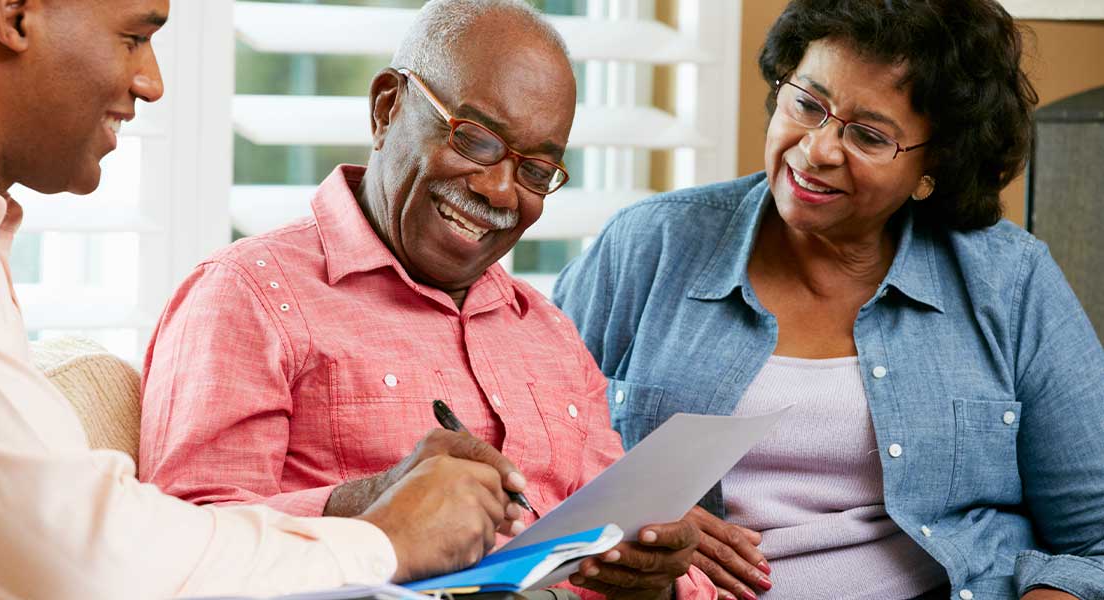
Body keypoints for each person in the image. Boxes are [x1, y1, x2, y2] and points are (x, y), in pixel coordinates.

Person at [0, 1, 523, 597]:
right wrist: (384, 542)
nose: (151, 83)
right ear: (16, 13)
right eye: (135, 37)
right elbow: (89, 562)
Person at [137, 0, 714, 598]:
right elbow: (185, 542)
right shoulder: (251, 296)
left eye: (536, 171)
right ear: (387, 108)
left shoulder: (548, 332)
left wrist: (655, 580)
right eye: (475, 139)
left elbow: (622, 536)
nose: (499, 190)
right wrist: (367, 507)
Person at [554, 0, 1104, 599]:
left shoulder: (1009, 281)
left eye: (868, 135)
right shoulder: (647, 246)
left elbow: (1094, 539)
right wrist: (633, 521)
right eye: (807, 104)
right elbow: (538, 467)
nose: (817, 150)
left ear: (935, 165)